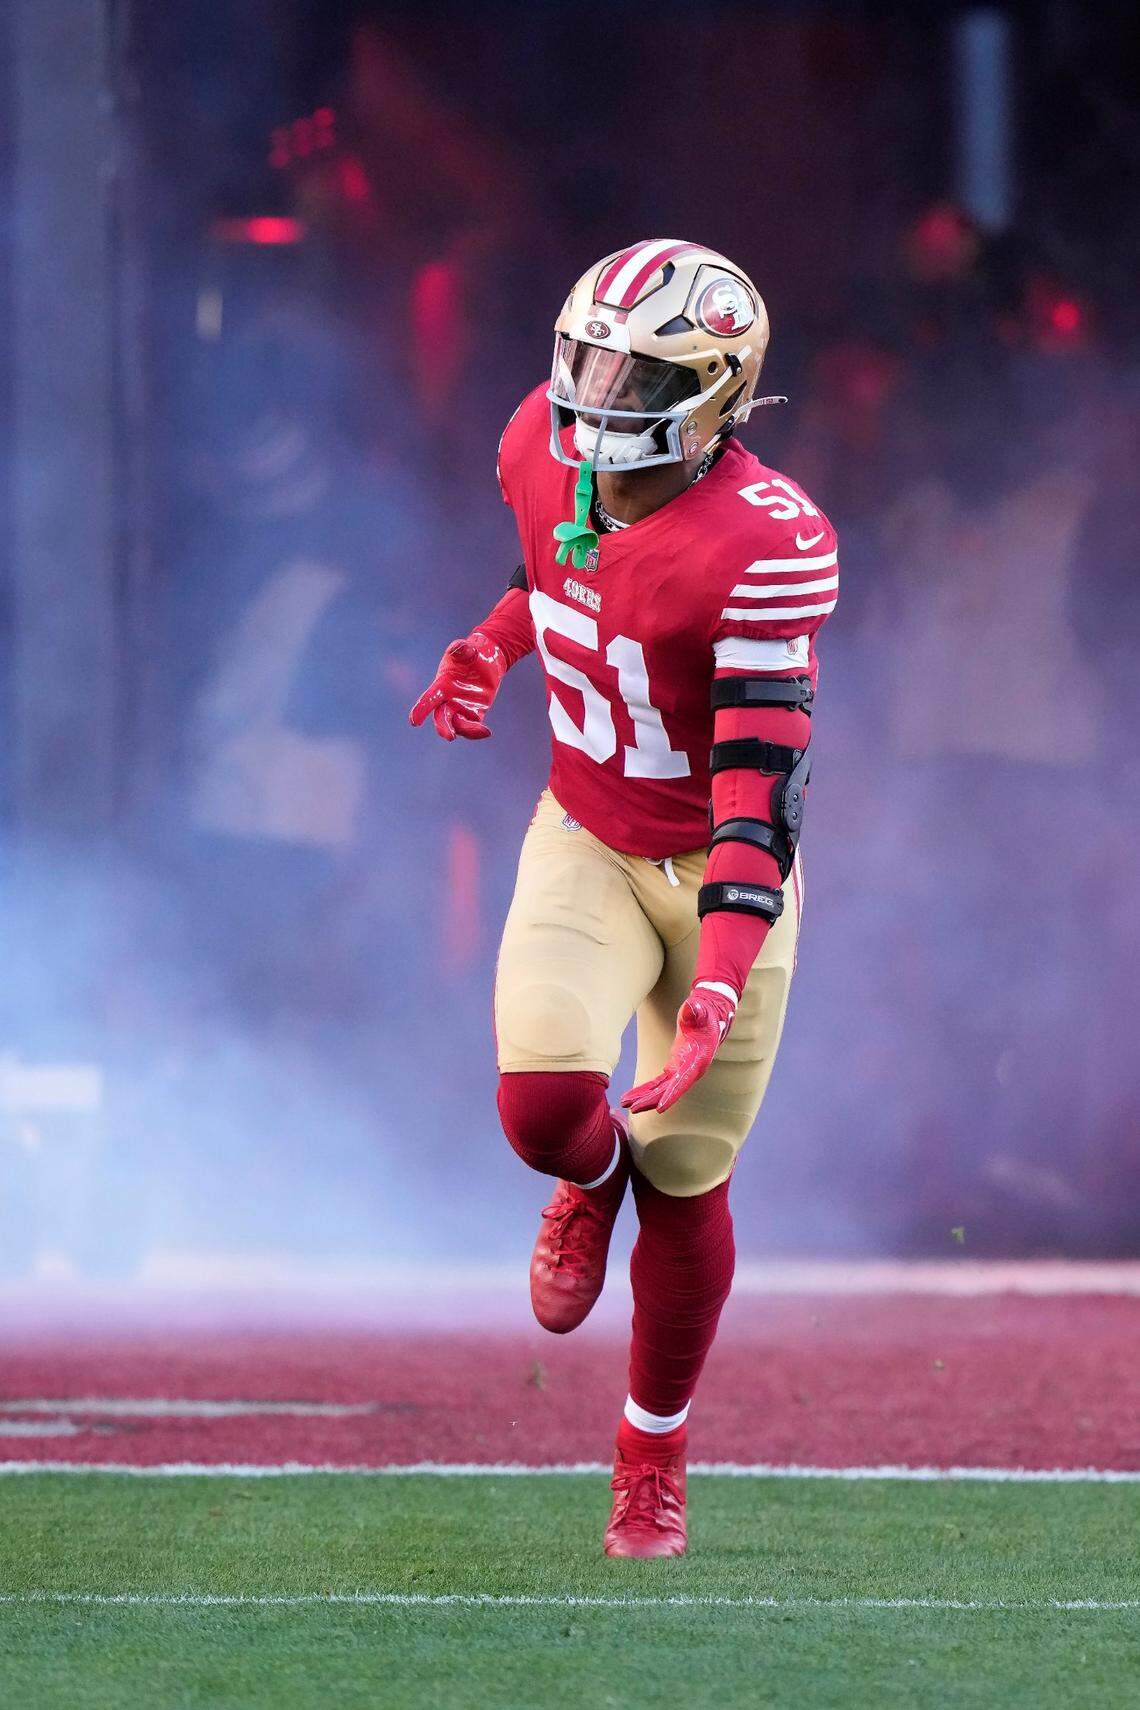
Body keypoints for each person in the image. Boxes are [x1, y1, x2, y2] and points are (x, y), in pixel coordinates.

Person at [410, 239, 838, 1556]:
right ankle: (586, 1181)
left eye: (633, 369)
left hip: (719, 873)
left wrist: (714, 980)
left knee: (686, 1176)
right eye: (588, 355)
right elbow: (568, 583)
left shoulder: (764, 547)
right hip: (587, 834)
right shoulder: (539, 446)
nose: (593, 390)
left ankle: (652, 1442)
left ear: (714, 390)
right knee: (544, 1107)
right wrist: (491, 639)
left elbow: (757, 790)